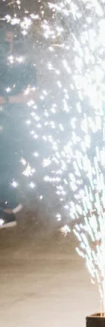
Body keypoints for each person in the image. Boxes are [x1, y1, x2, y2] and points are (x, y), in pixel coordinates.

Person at [0, 28, 35, 228]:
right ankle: (10, 204)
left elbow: (30, 96)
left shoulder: (26, 66)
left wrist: (5, 100)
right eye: (5, 38)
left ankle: (7, 210)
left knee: (7, 164)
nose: (7, 42)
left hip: (14, 122)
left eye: (11, 39)